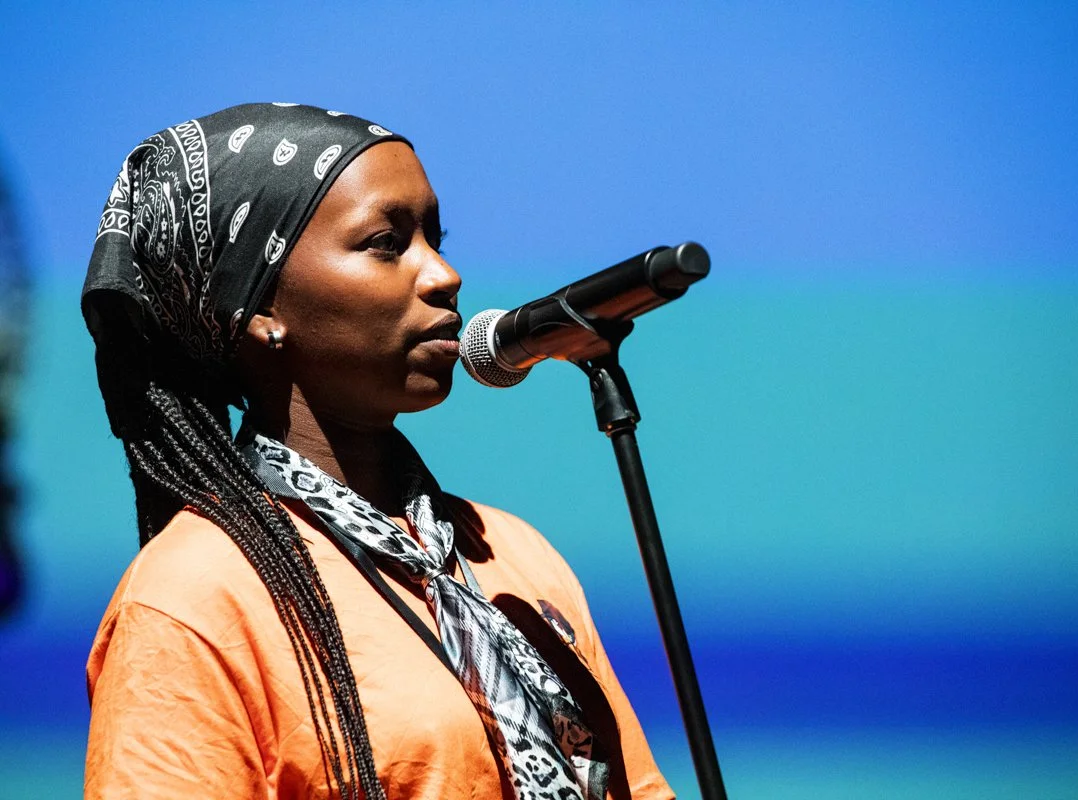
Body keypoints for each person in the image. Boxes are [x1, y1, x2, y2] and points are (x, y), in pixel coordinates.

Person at [82, 103, 673, 800]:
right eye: (386, 243)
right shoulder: (194, 596)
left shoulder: (511, 554)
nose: (444, 274)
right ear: (259, 309)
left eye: (436, 238)